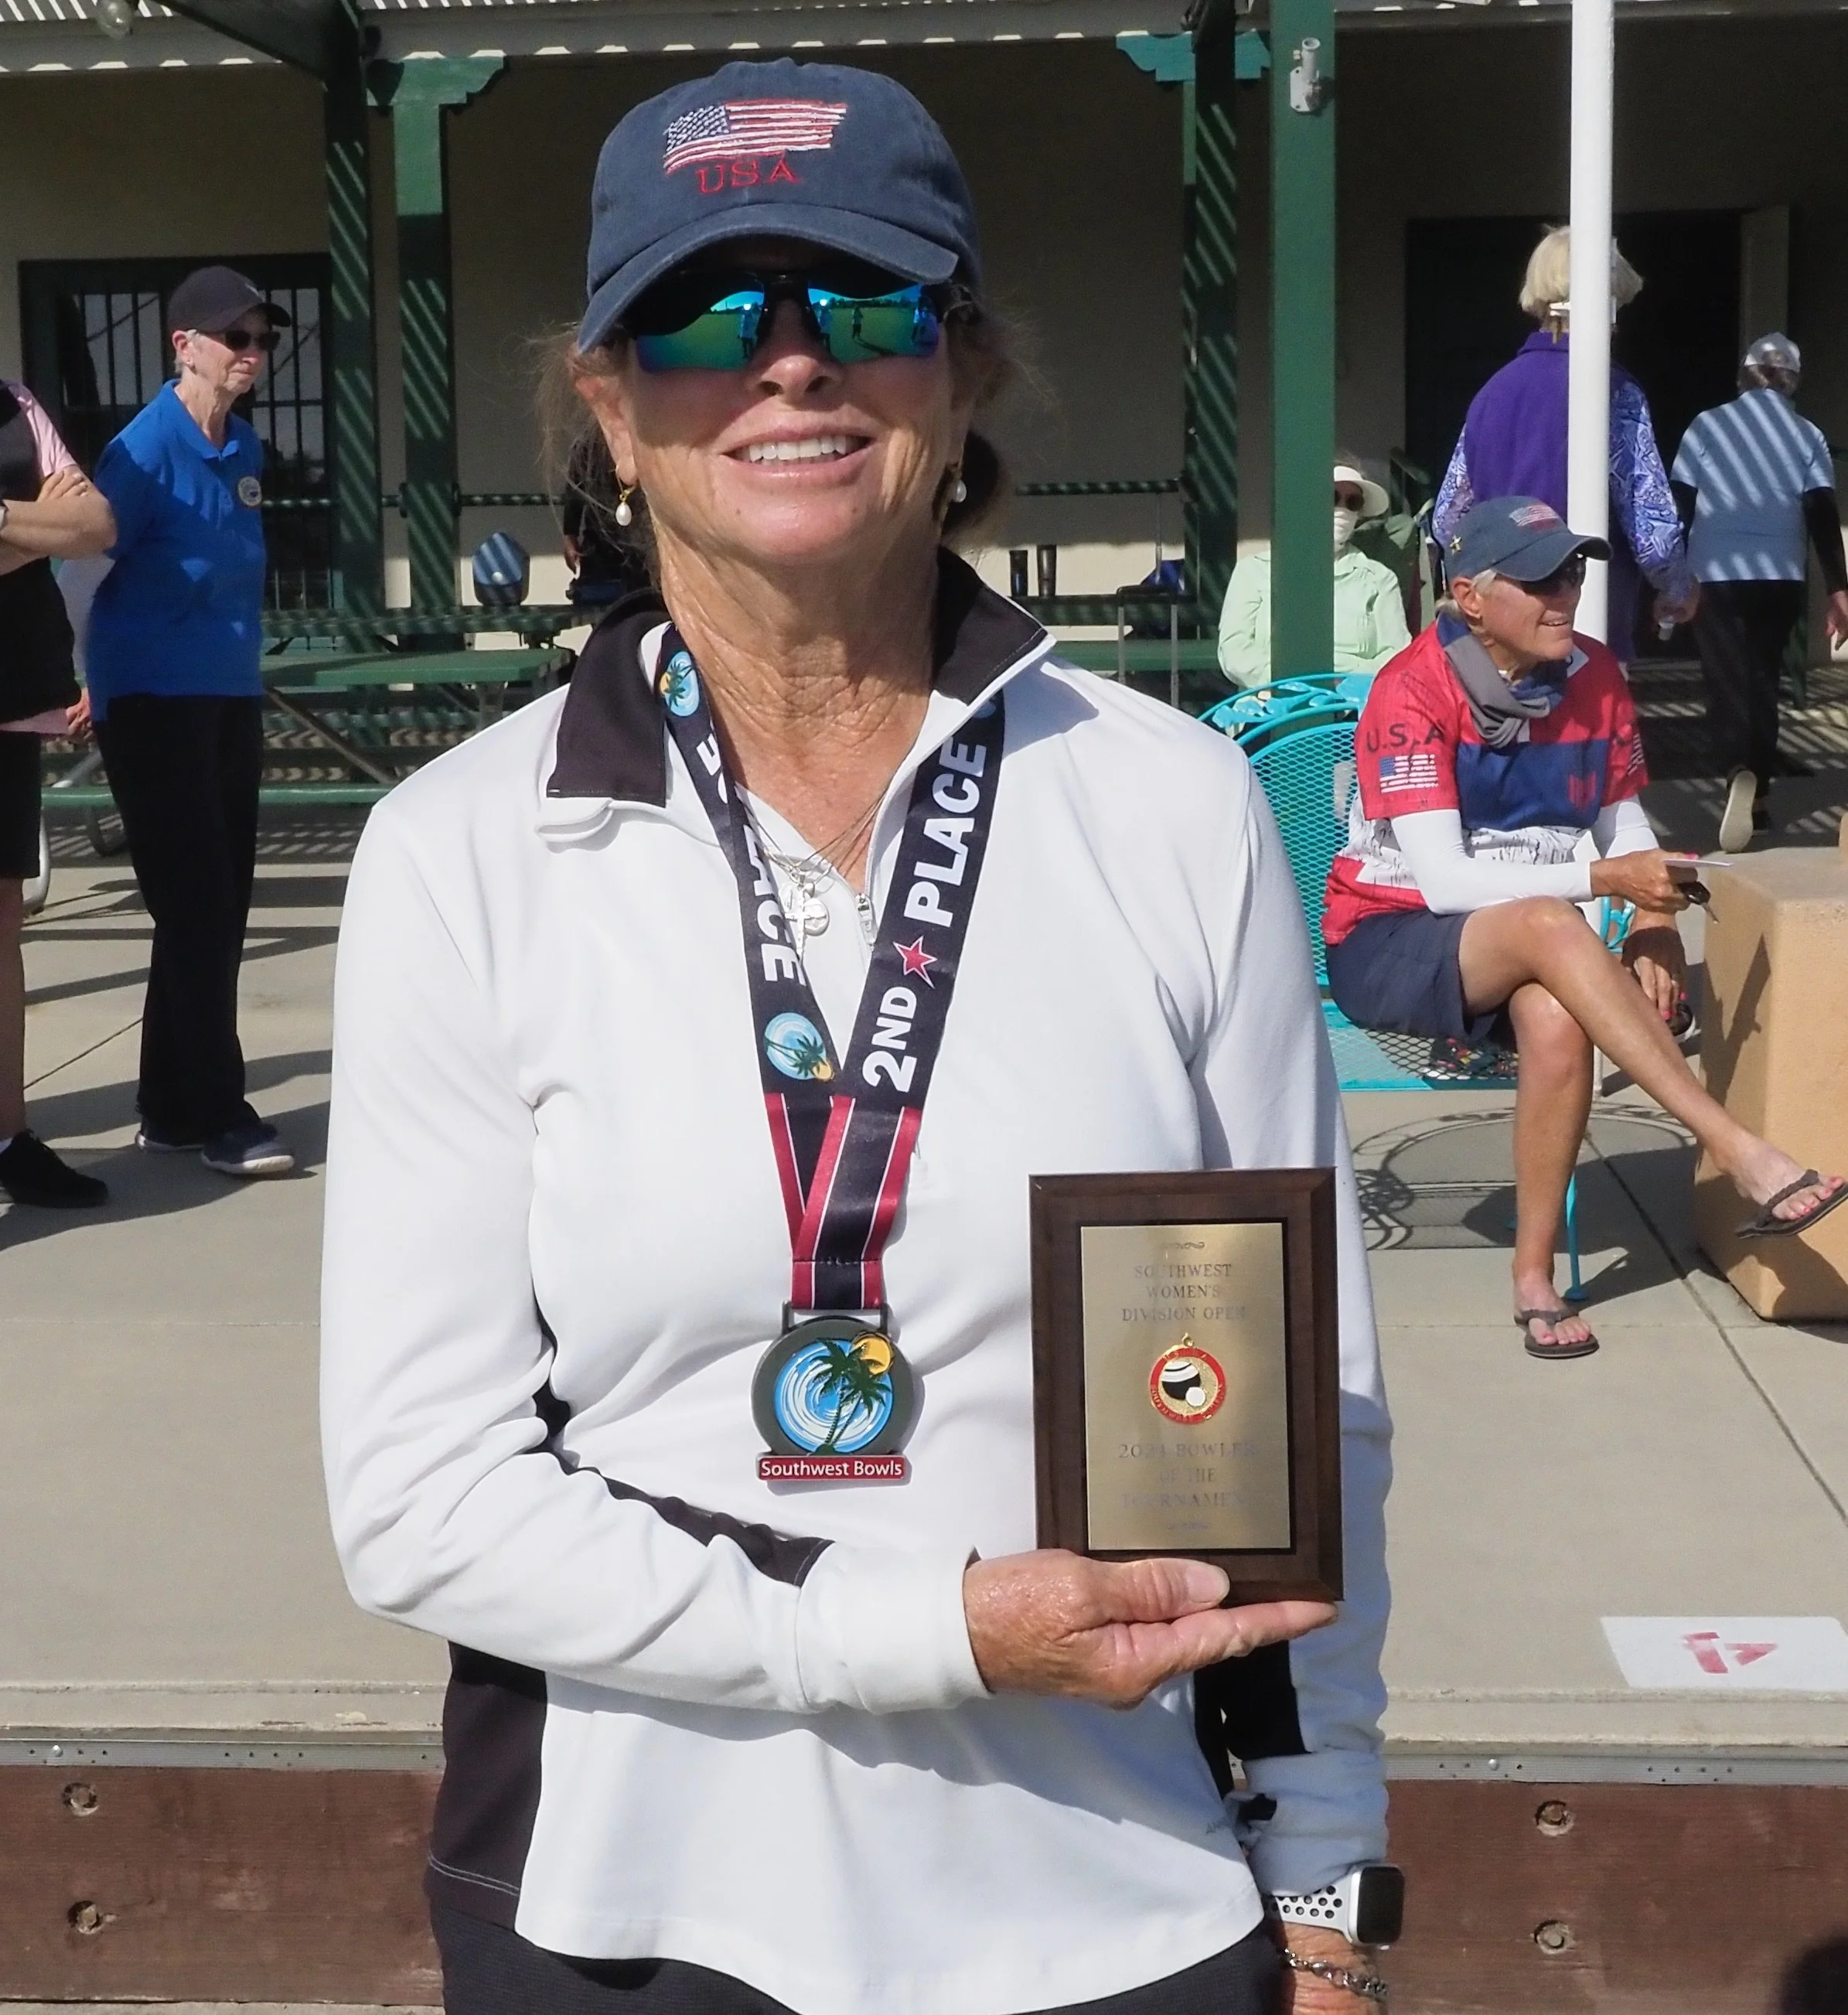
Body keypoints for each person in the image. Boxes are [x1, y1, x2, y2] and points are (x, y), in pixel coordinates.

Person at [323, 60, 1394, 2015]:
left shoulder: (1163, 803)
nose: (792, 368)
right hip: (637, 1914)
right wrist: (935, 1630)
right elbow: (421, 1498)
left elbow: (1302, 1407)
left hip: (1123, 1903)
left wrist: (1323, 1888)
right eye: (708, 318)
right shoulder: (463, 849)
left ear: (965, 374)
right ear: (611, 405)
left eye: (870, 308)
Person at [1323, 496, 1845, 1362]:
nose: (1563, 593)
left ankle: (1533, 1278)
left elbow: (1619, 819)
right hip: (1391, 935)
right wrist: (1606, 883)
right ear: (1468, 596)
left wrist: (1648, 915)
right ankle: (1735, 1147)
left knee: (1558, 1016)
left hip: (1524, 937)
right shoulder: (1410, 690)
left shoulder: (1594, 674)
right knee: (1547, 919)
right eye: (1537, 579)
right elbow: (1447, 882)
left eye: (1570, 570)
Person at [87, 266, 294, 1178]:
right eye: (234, 338)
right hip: (150, 699)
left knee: (212, 907)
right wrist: (75, 679)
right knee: (198, 905)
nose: (252, 354)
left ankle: (168, 1106)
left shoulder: (242, 450)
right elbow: (82, 563)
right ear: (185, 346)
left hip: (226, 694)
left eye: (263, 338)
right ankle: (219, 1108)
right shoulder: (139, 453)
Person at [1433, 226, 1699, 663]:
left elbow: (1448, 520)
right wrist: (1678, 589)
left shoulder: (1492, 392)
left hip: (1500, 624)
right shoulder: (1614, 391)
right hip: (1581, 617)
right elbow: (1652, 530)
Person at [0, 380, 114, 1208]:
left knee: (3, 920)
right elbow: (60, 527)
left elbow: (93, 524)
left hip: (9, 700)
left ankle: (8, 1136)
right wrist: (35, 518)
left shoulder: (14, 402)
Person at [1671, 333, 1848, 850]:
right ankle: (1762, 798)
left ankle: (1737, 772)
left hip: (1717, 574)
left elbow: (1678, 502)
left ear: (1744, 376)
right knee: (1763, 681)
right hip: (1781, 578)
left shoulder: (1707, 426)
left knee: (1726, 681)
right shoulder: (1806, 434)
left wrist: (1667, 574)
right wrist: (1839, 590)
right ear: (1792, 382)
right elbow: (1821, 512)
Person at [1218, 463, 1410, 688]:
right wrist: (1287, 683)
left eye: (1353, 503)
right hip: (1269, 705)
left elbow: (1398, 655)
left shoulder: (1380, 579)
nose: (1342, 509)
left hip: (1351, 709)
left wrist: (1344, 684)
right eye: (1332, 497)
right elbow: (1234, 648)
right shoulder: (1252, 570)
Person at [559, 430, 652, 609]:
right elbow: (575, 491)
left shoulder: (650, 438)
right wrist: (570, 533)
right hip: (601, 541)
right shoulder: (589, 443)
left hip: (644, 545)